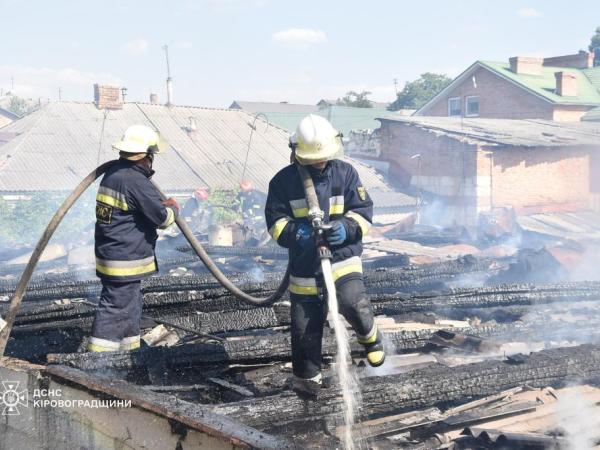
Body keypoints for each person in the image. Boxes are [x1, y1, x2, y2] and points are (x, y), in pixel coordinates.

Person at [265, 114, 385, 396]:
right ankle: (308, 382)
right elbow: (276, 224)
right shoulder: (282, 182)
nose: (320, 162)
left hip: (342, 257)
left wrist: (346, 227)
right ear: (297, 152)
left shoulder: (346, 174)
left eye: (324, 157)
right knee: (304, 330)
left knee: (352, 302)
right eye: (313, 158)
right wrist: (300, 234)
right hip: (305, 268)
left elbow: (364, 212)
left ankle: (371, 338)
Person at [89, 125, 180, 352]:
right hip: (125, 259)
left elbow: (129, 211)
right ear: (146, 156)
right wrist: (174, 209)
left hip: (113, 254)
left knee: (129, 307)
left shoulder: (114, 175)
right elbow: (162, 219)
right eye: (152, 156)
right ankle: (98, 363)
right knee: (115, 309)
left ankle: (129, 355)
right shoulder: (135, 180)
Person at [236, 179, 268, 246]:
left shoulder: (256, 196)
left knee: (255, 235)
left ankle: (255, 246)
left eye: (242, 188)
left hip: (258, 219)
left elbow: (256, 209)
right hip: (248, 218)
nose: (241, 190)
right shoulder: (241, 194)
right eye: (241, 188)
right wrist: (235, 208)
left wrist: (246, 213)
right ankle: (245, 244)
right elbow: (236, 202)